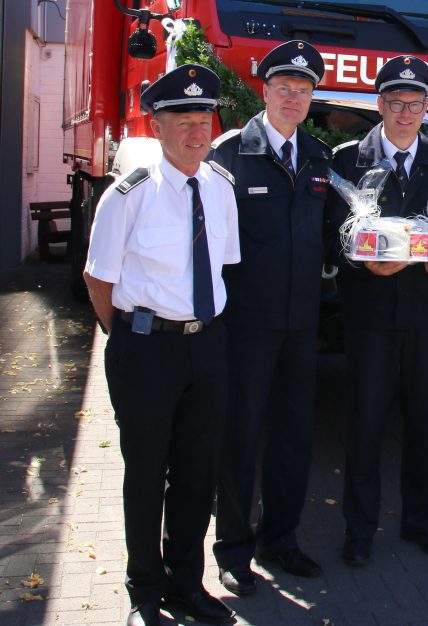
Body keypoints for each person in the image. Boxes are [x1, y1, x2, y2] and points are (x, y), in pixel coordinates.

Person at [83, 65, 240, 626]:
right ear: (157, 124)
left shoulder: (221, 188)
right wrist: (127, 335)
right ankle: (143, 590)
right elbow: (98, 279)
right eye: (183, 121)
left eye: (205, 120)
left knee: (198, 474)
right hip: (146, 350)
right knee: (146, 473)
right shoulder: (129, 195)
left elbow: (221, 269)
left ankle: (185, 586)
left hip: (207, 347)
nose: (197, 132)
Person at [330, 55, 428, 568]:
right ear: (380, 105)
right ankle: (359, 529)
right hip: (370, 316)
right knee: (366, 424)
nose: (406, 113)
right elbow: (333, 235)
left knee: (424, 422)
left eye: (416, 104)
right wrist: (363, 263)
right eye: (396, 103)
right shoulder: (348, 160)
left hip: (427, 317)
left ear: (427, 108)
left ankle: (421, 523)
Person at [207, 40, 340, 594]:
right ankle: (233, 550)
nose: (294, 97)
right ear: (264, 90)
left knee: (292, 435)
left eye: (304, 90)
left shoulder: (318, 158)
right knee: (238, 437)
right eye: (284, 88)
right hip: (244, 324)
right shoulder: (230, 153)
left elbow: (338, 234)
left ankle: (280, 540)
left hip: (301, 323)